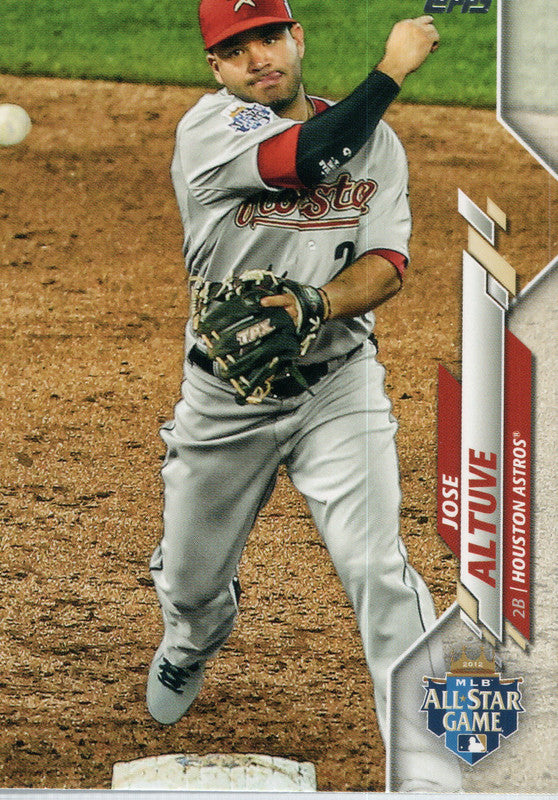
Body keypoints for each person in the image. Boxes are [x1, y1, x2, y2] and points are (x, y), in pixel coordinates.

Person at [147, 0, 461, 791]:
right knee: (189, 584)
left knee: (378, 570)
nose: (259, 57)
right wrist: (393, 67)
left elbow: (387, 263)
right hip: (226, 396)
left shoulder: (377, 142)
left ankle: (430, 768)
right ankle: (193, 636)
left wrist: (316, 304)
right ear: (216, 67)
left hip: (339, 386)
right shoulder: (210, 130)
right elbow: (312, 158)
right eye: (236, 48)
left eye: (269, 36)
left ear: (297, 38)